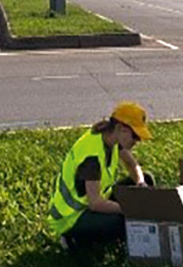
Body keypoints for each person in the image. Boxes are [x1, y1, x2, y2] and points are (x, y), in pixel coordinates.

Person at [46, 101, 155, 250]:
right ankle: (73, 240)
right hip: (72, 217)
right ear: (120, 128)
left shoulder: (112, 139)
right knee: (120, 221)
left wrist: (141, 183)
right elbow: (95, 203)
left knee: (147, 178)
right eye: (135, 136)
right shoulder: (92, 157)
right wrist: (129, 209)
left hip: (94, 202)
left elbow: (132, 165)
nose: (138, 141)